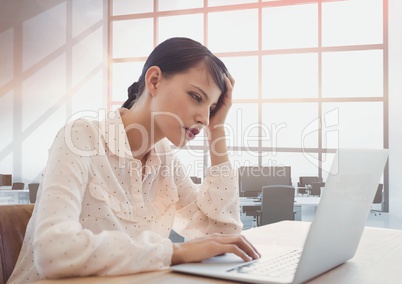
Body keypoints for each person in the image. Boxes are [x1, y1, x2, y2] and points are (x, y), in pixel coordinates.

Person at [8, 37, 260, 283]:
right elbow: (53, 252)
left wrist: (218, 130)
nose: (204, 118)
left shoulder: (167, 163)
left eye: (212, 108)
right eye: (196, 97)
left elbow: (223, 237)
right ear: (154, 81)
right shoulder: (81, 137)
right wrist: (174, 252)